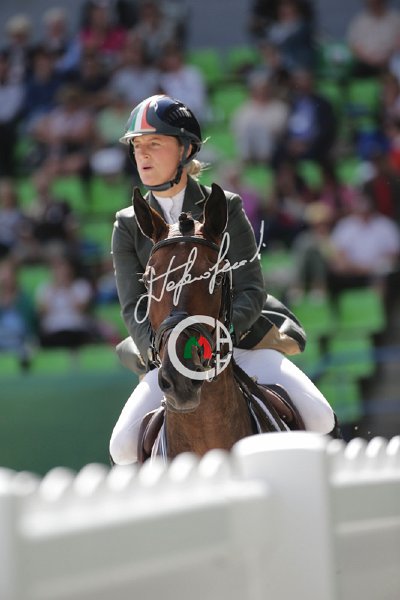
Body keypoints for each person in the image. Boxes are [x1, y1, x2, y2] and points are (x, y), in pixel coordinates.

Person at [108, 94, 337, 465]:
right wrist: (170, 354)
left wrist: (218, 340)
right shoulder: (128, 224)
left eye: (155, 143)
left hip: (238, 347)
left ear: (185, 149)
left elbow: (251, 289)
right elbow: (134, 306)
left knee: (320, 416)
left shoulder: (225, 206)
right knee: (121, 447)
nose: (143, 154)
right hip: (169, 359)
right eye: (137, 146)